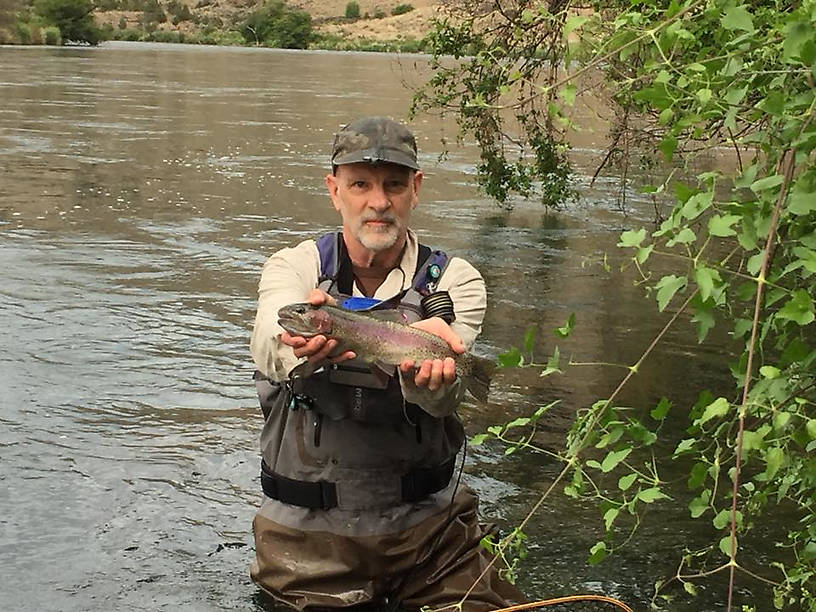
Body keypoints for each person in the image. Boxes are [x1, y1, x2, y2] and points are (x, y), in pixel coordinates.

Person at [249, 117, 523, 611]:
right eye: (360, 185)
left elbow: (448, 400)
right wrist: (296, 346)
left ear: (415, 190)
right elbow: (269, 338)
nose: (378, 202)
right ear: (334, 191)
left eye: (394, 185)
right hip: (307, 544)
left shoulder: (455, 280)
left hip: (432, 536)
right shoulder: (294, 267)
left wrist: (432, 380)